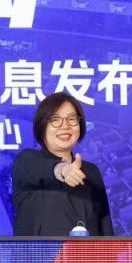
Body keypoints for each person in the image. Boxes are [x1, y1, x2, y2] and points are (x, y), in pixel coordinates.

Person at [12, 92, 113, 236]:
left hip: (86, 251)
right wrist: (62, 169)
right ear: (42, 126)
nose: (65, 126)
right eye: (55, 120)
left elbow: (105, 228)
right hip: (42, 251)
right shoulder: (27, 160)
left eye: (72, 119)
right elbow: (39, 170)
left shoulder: (91, 171)